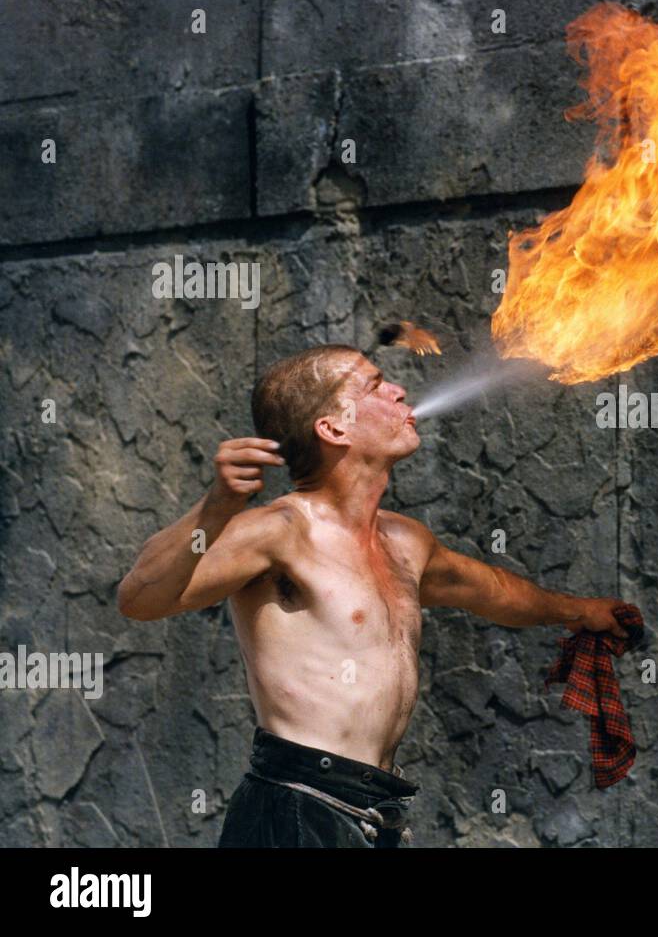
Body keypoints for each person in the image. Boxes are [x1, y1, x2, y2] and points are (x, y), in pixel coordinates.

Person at [116, 344, 631, 847]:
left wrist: (580, 613)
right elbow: (140, 598)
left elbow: (491, 591)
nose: (401, 390)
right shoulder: (279, 530)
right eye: (376, 385)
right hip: (296, 808)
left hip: (375, 810)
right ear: (332, 427)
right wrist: (215, 505)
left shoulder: (405, 542)